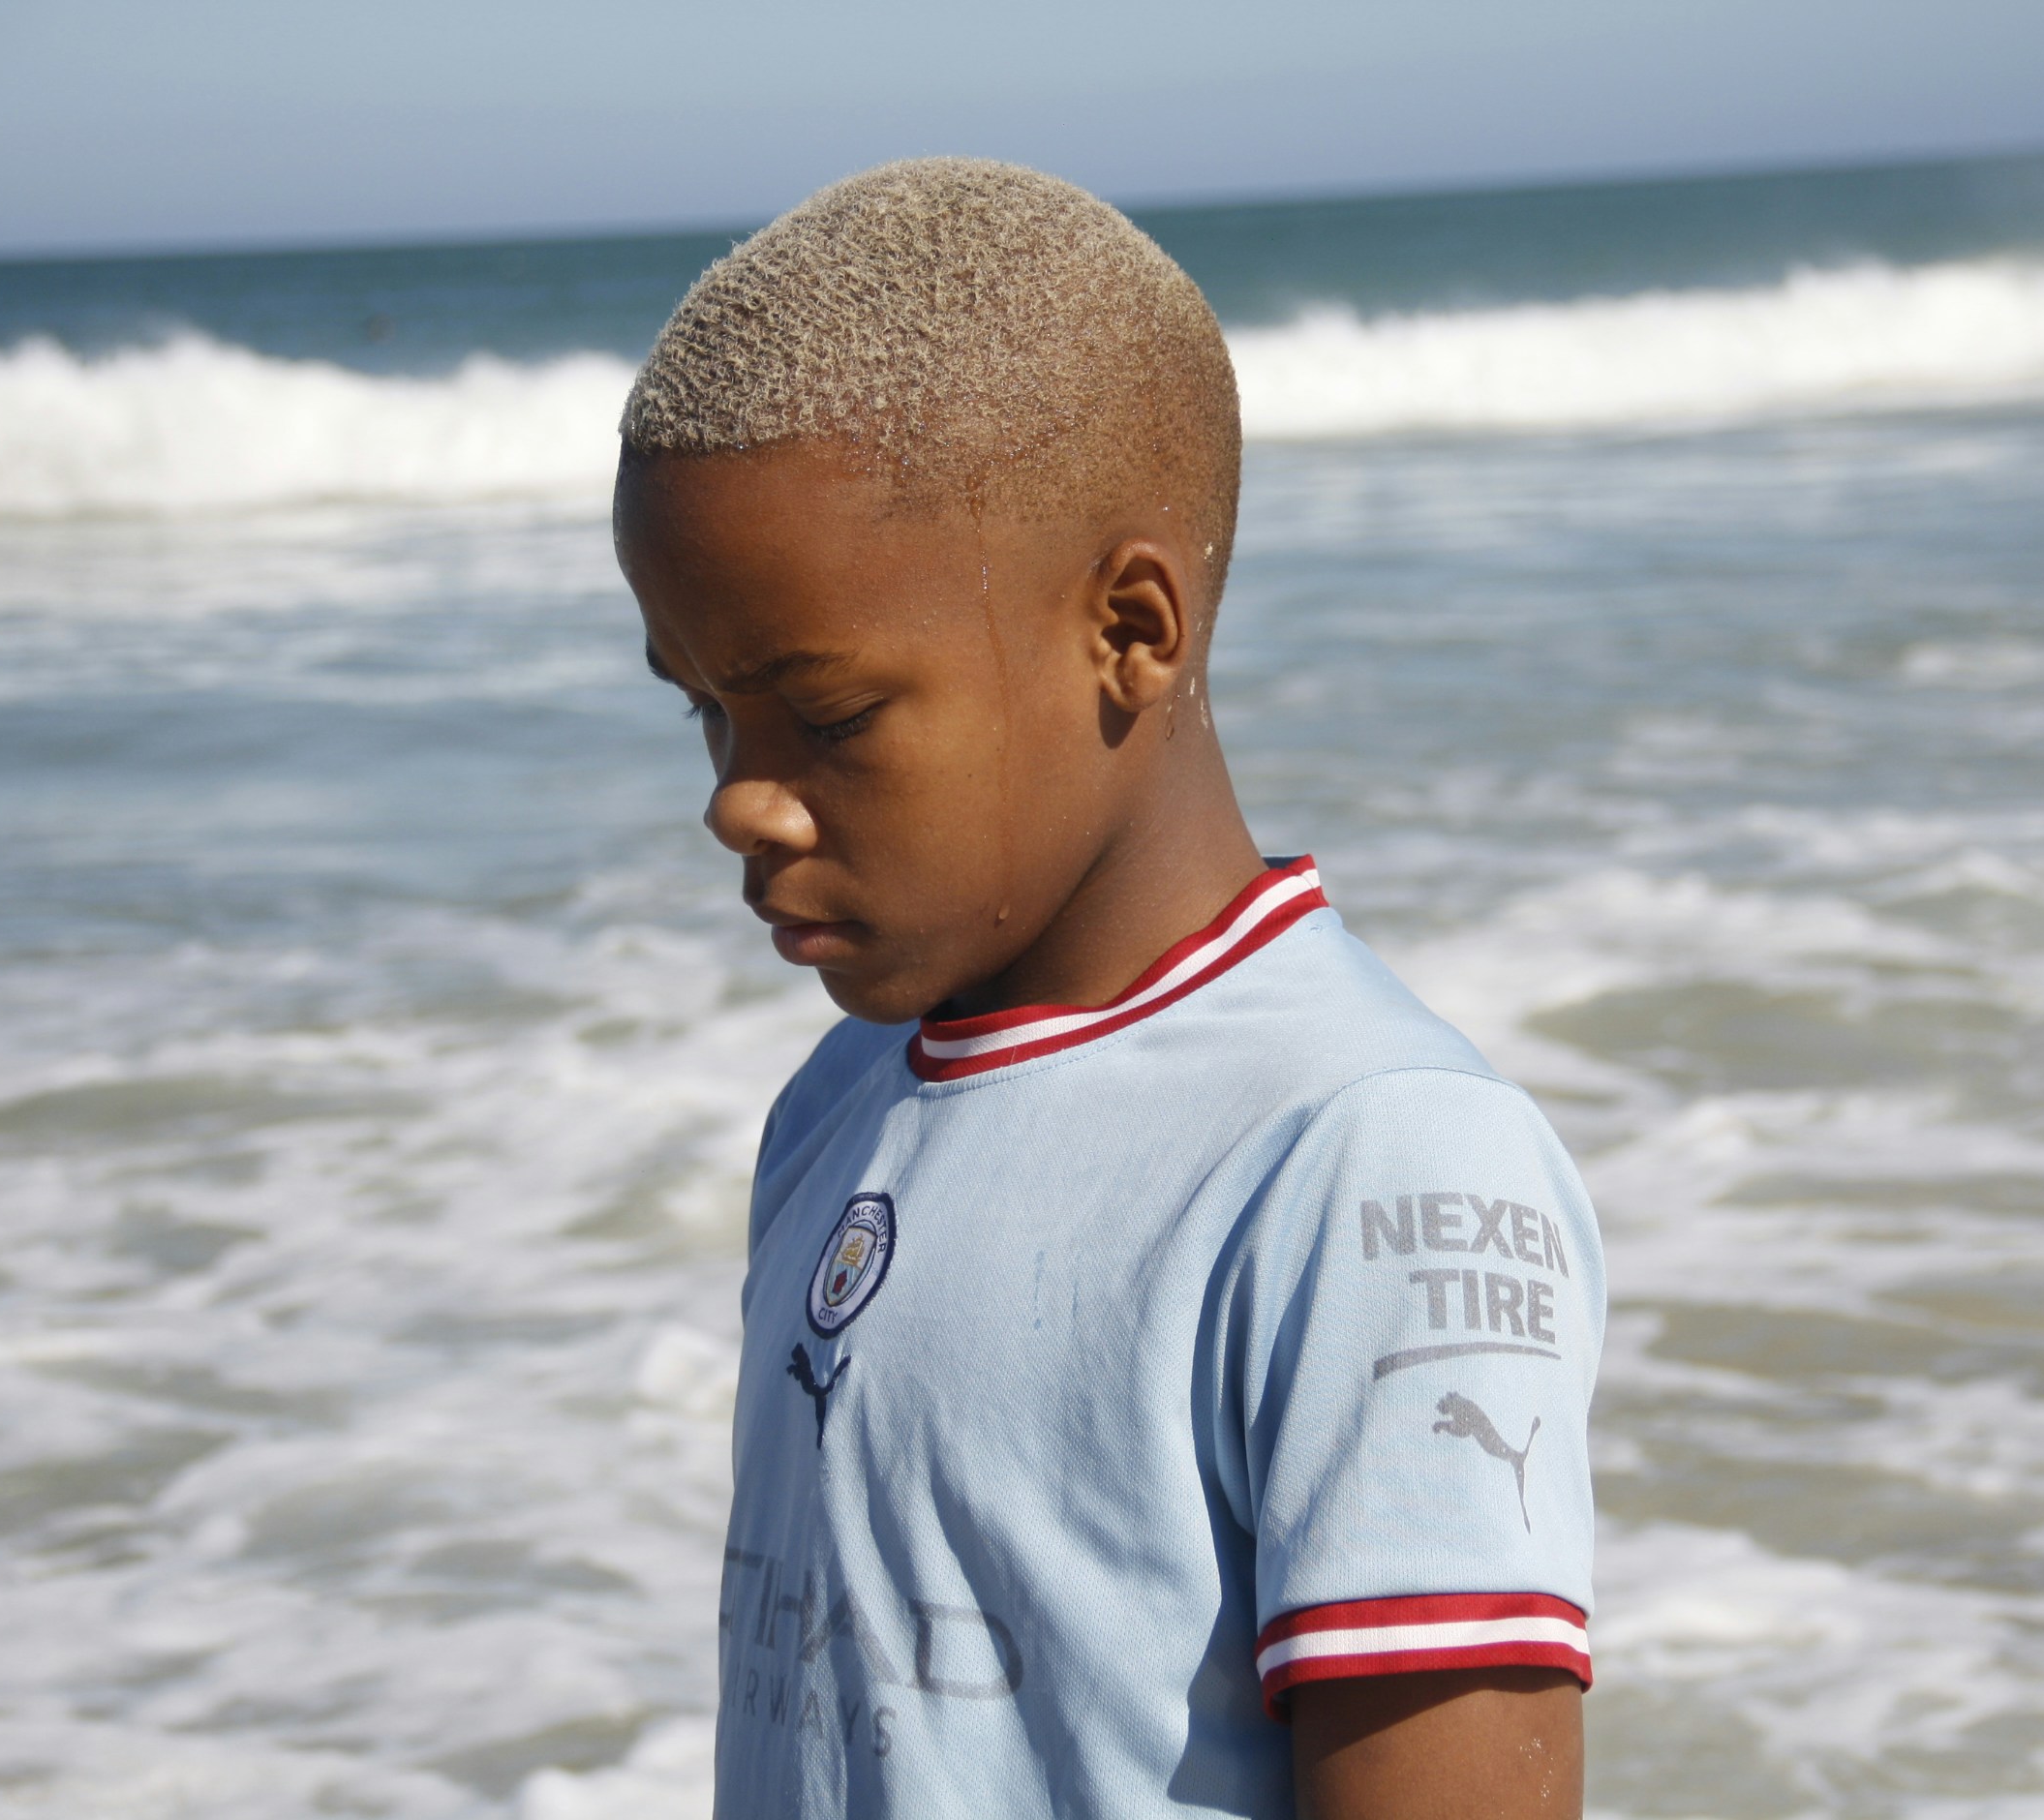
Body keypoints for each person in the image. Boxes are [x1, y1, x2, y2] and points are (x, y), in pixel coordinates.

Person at [614, 157, 1604, 1820]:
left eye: (829, 717)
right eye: (704, 711)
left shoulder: (1365, 1157)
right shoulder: (837, 1111)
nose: (739, 796)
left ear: (1129, 632)